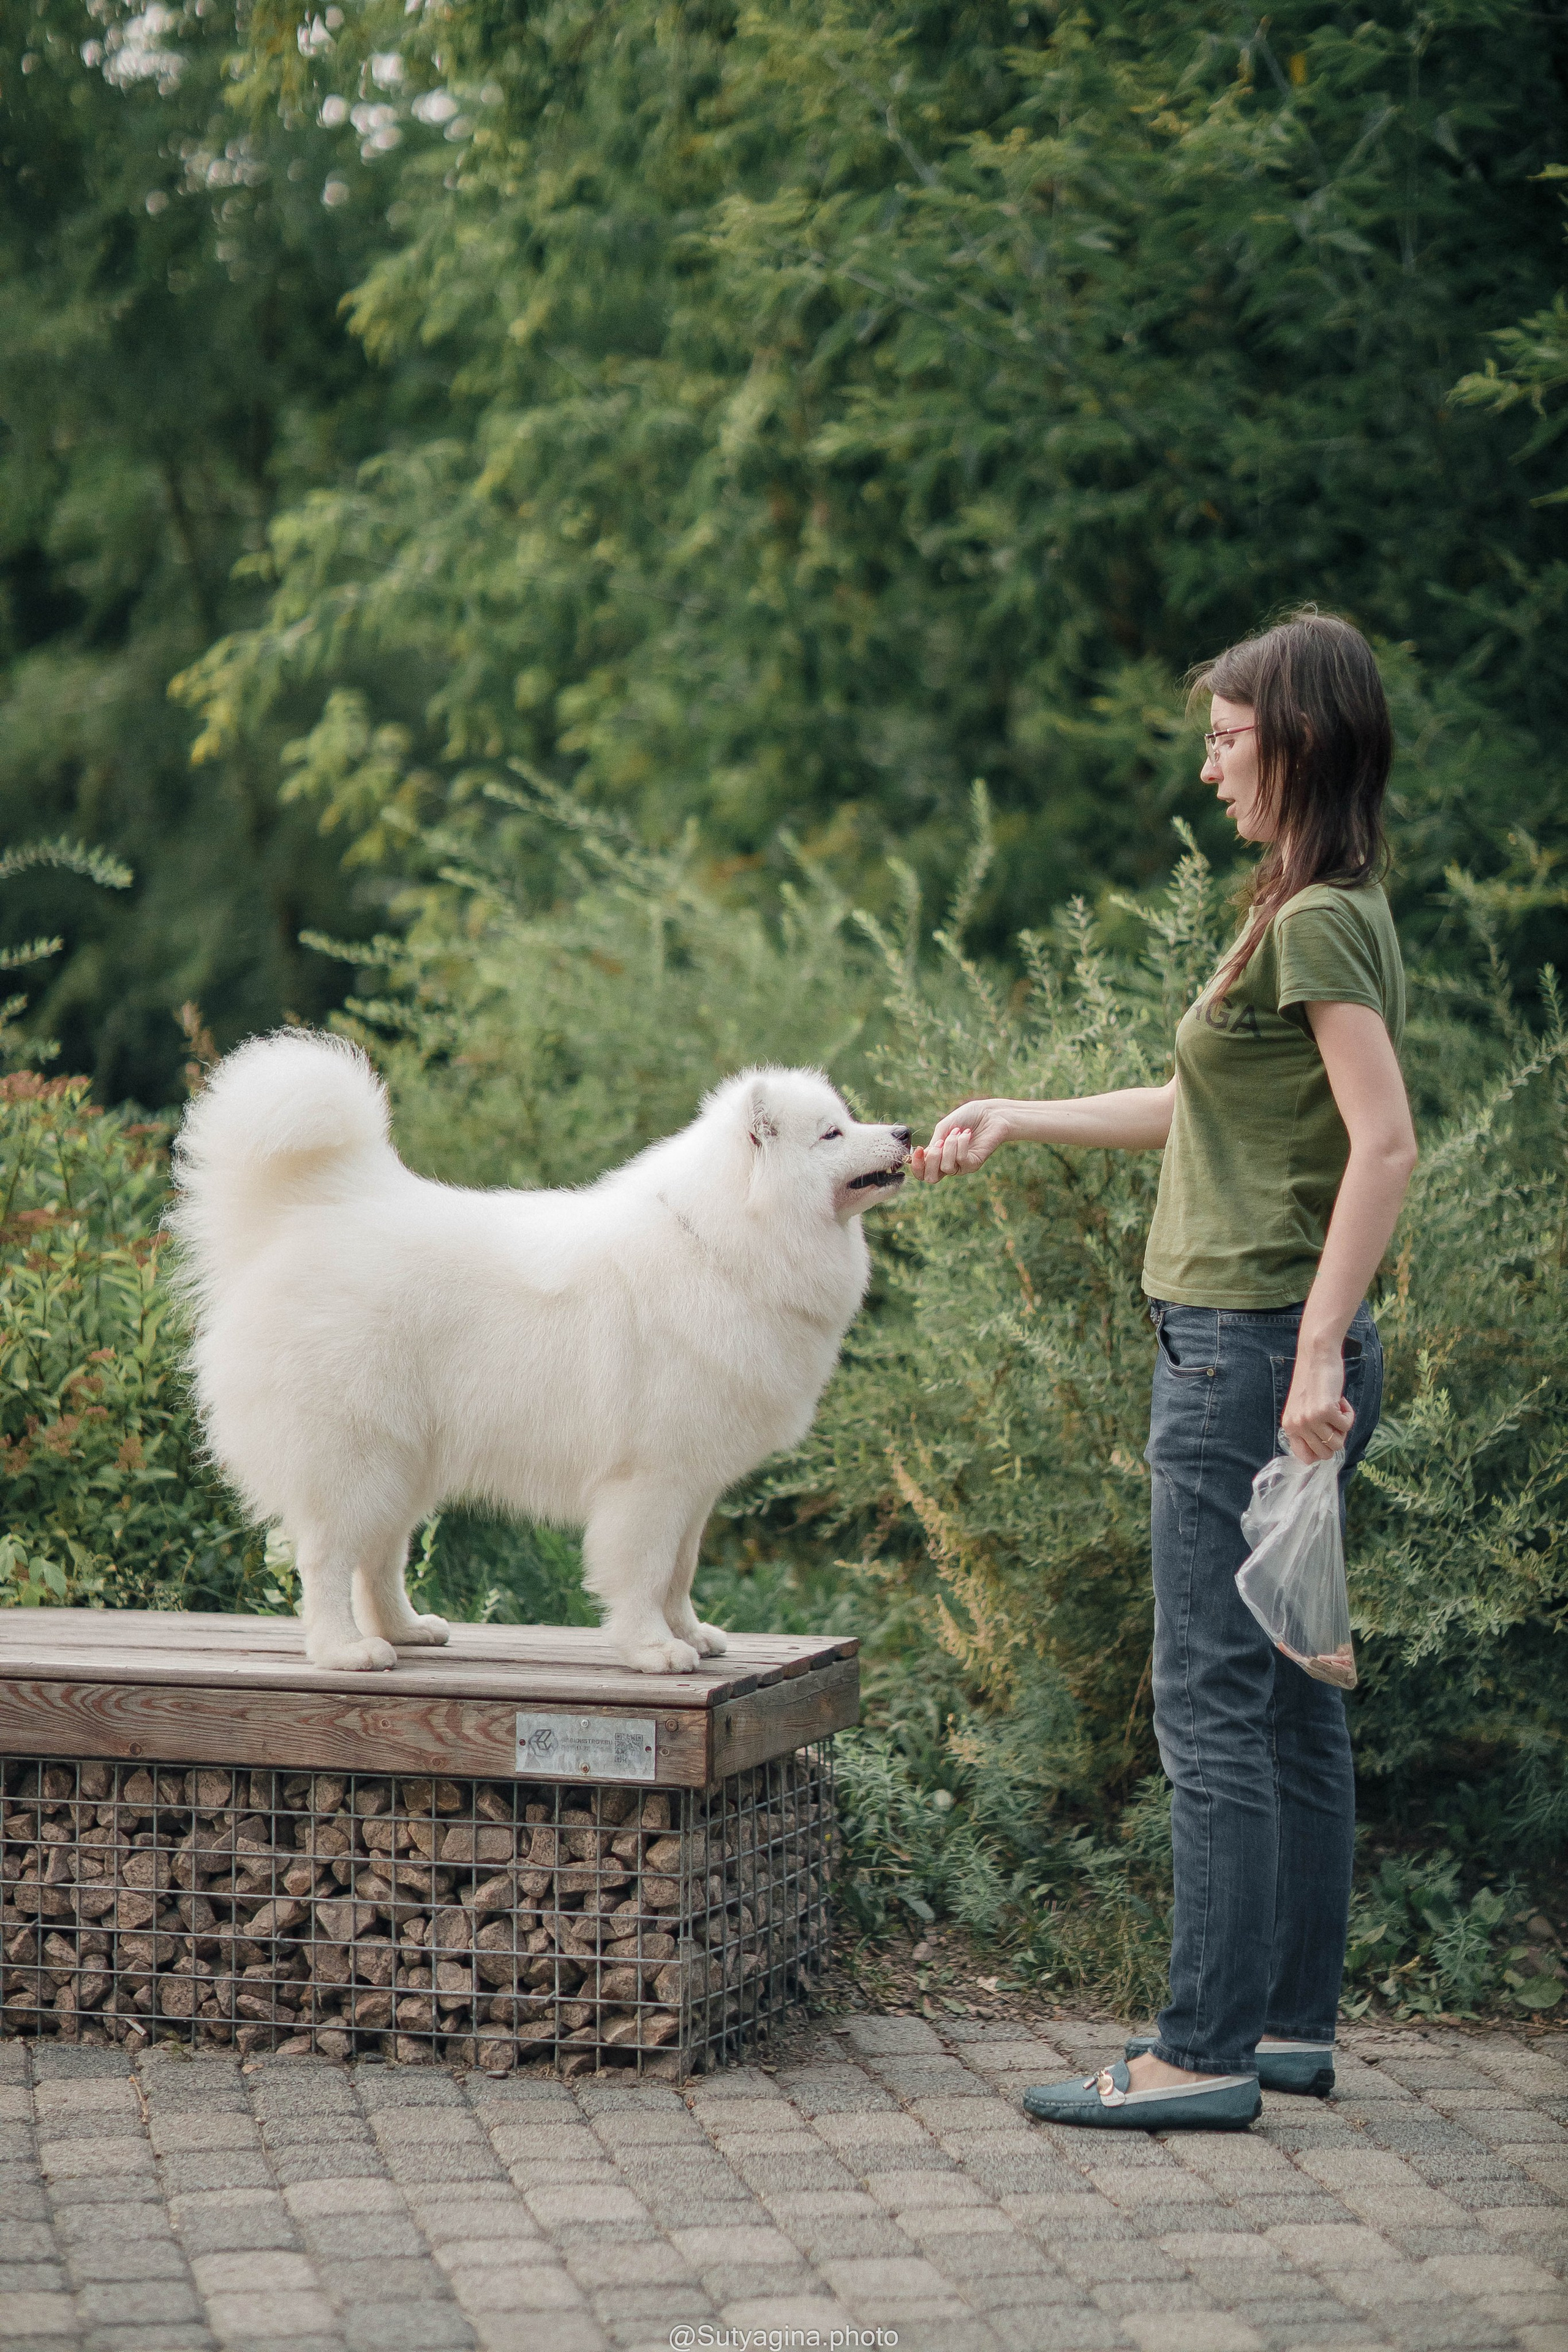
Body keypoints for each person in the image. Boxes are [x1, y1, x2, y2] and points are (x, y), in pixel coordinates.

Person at [913, 609, 1416, 2130]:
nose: (1205, 767)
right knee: (1288, 1703)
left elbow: (1384, 1146)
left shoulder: (1311, 918)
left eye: (1224, 738)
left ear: (1296, 741)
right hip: (1269, 1349)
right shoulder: (1316, 904)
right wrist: (1022, 1114)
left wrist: (1310, 1350)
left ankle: (1198, 2053)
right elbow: (1208, 1107)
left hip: (1244, 1353)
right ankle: (1281, 2031)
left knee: (1207, 1708)